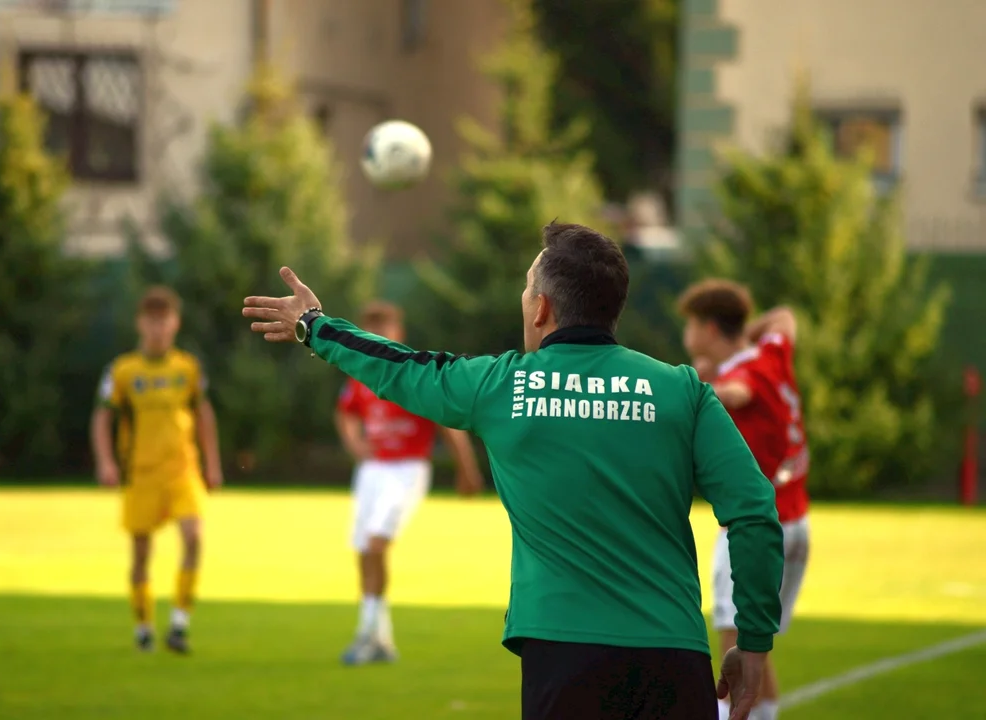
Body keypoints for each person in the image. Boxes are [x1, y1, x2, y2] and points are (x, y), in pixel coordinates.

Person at [243, 222, 784, 720]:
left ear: (542, 308)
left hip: (563, 654)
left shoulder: (500, 387)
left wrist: (313, 325)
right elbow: (754, 510)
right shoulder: (682, 390)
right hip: (673, 654)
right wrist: (755, 640)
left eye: (527, 290)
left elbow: (398, 367)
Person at [678, 280, 811, 720]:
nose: (687, 334)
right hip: (795, 521)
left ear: (709, 328)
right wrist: (742, 339)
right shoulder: (769, 351)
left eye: (691, 324)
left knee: (735, 643)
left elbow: (739, 394)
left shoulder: (740, 377)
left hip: (754, 529)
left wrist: (696, 390)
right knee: (755, 644)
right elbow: (785, 316)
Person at [335, 300, 485, 665]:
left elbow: (446, 422)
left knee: (375, 544)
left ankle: (369, 636)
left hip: (407, 469)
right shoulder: (361, 375)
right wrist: (355, 443)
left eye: (384, 329)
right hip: (372, 471)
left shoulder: (409, 372)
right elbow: (345, 413)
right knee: (363, 550)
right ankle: (379, 638)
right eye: (371, 330)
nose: (378, 337)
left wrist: (467, 470)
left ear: (398, 334)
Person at [91, 286, 224, 654]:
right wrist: (105, 461)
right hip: (141, 474)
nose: (158, 328)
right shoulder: (122, 371)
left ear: (175, 323)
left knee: (194, 538)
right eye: (151, 321)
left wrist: (212, 464)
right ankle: (144, 627)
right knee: (140, 554)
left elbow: (203, 413)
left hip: (182, 470)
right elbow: (102, 416)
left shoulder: (188, 368)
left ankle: (180, 623)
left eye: (164, 321)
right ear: (140, 324)